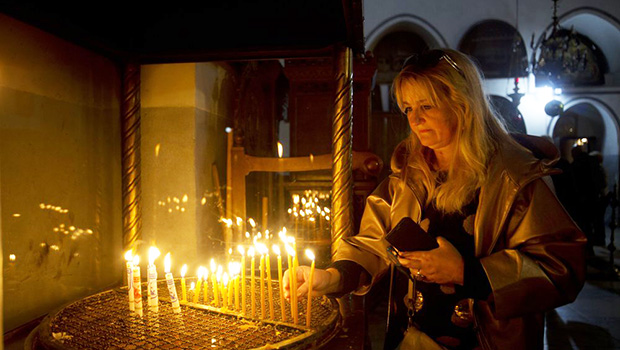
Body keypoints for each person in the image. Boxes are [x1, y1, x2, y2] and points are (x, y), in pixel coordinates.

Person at [284, 49, 586, 350]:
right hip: (410, 337)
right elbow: (374, 244)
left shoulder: (516, 177)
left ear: (463, 105)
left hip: (487, 340)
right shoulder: (408, 172)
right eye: (408, 109)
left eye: (426, 106)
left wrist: (466, 272)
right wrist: (333, 277)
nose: (415, 120)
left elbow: (560, 270)